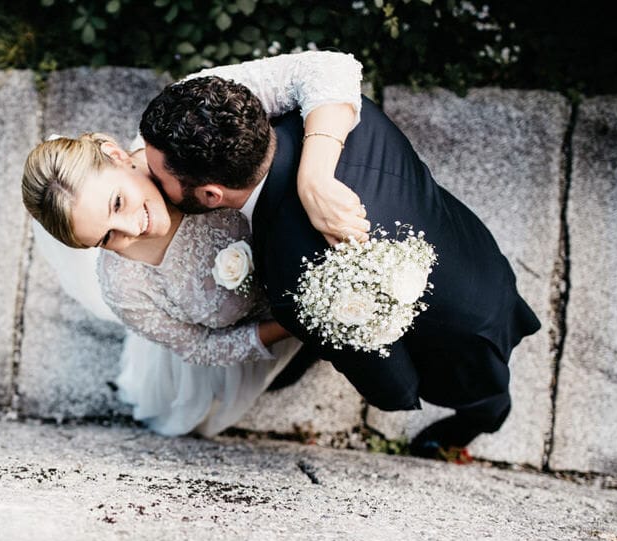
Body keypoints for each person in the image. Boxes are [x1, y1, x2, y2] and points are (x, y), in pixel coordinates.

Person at [139, 76, 542, 457]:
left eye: (159, 176)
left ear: (212, 194)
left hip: (456, 335)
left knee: (481, 391)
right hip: (474, 248)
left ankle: (482, 420)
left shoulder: (293, 278)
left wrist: (394, 394)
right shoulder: (334, 114)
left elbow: (387, 381)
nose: (152, 181)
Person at [22, 51, 368, 436]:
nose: (133, 228)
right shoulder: (125, 288)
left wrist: (314, 179)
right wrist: (296, 323)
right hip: (282, 321)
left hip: (326, 244)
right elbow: (200, 347)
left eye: (117, 202)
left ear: (116, 155)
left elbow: (329, 68)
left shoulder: (184, 126)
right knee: (286, 372)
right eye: (106, 238)